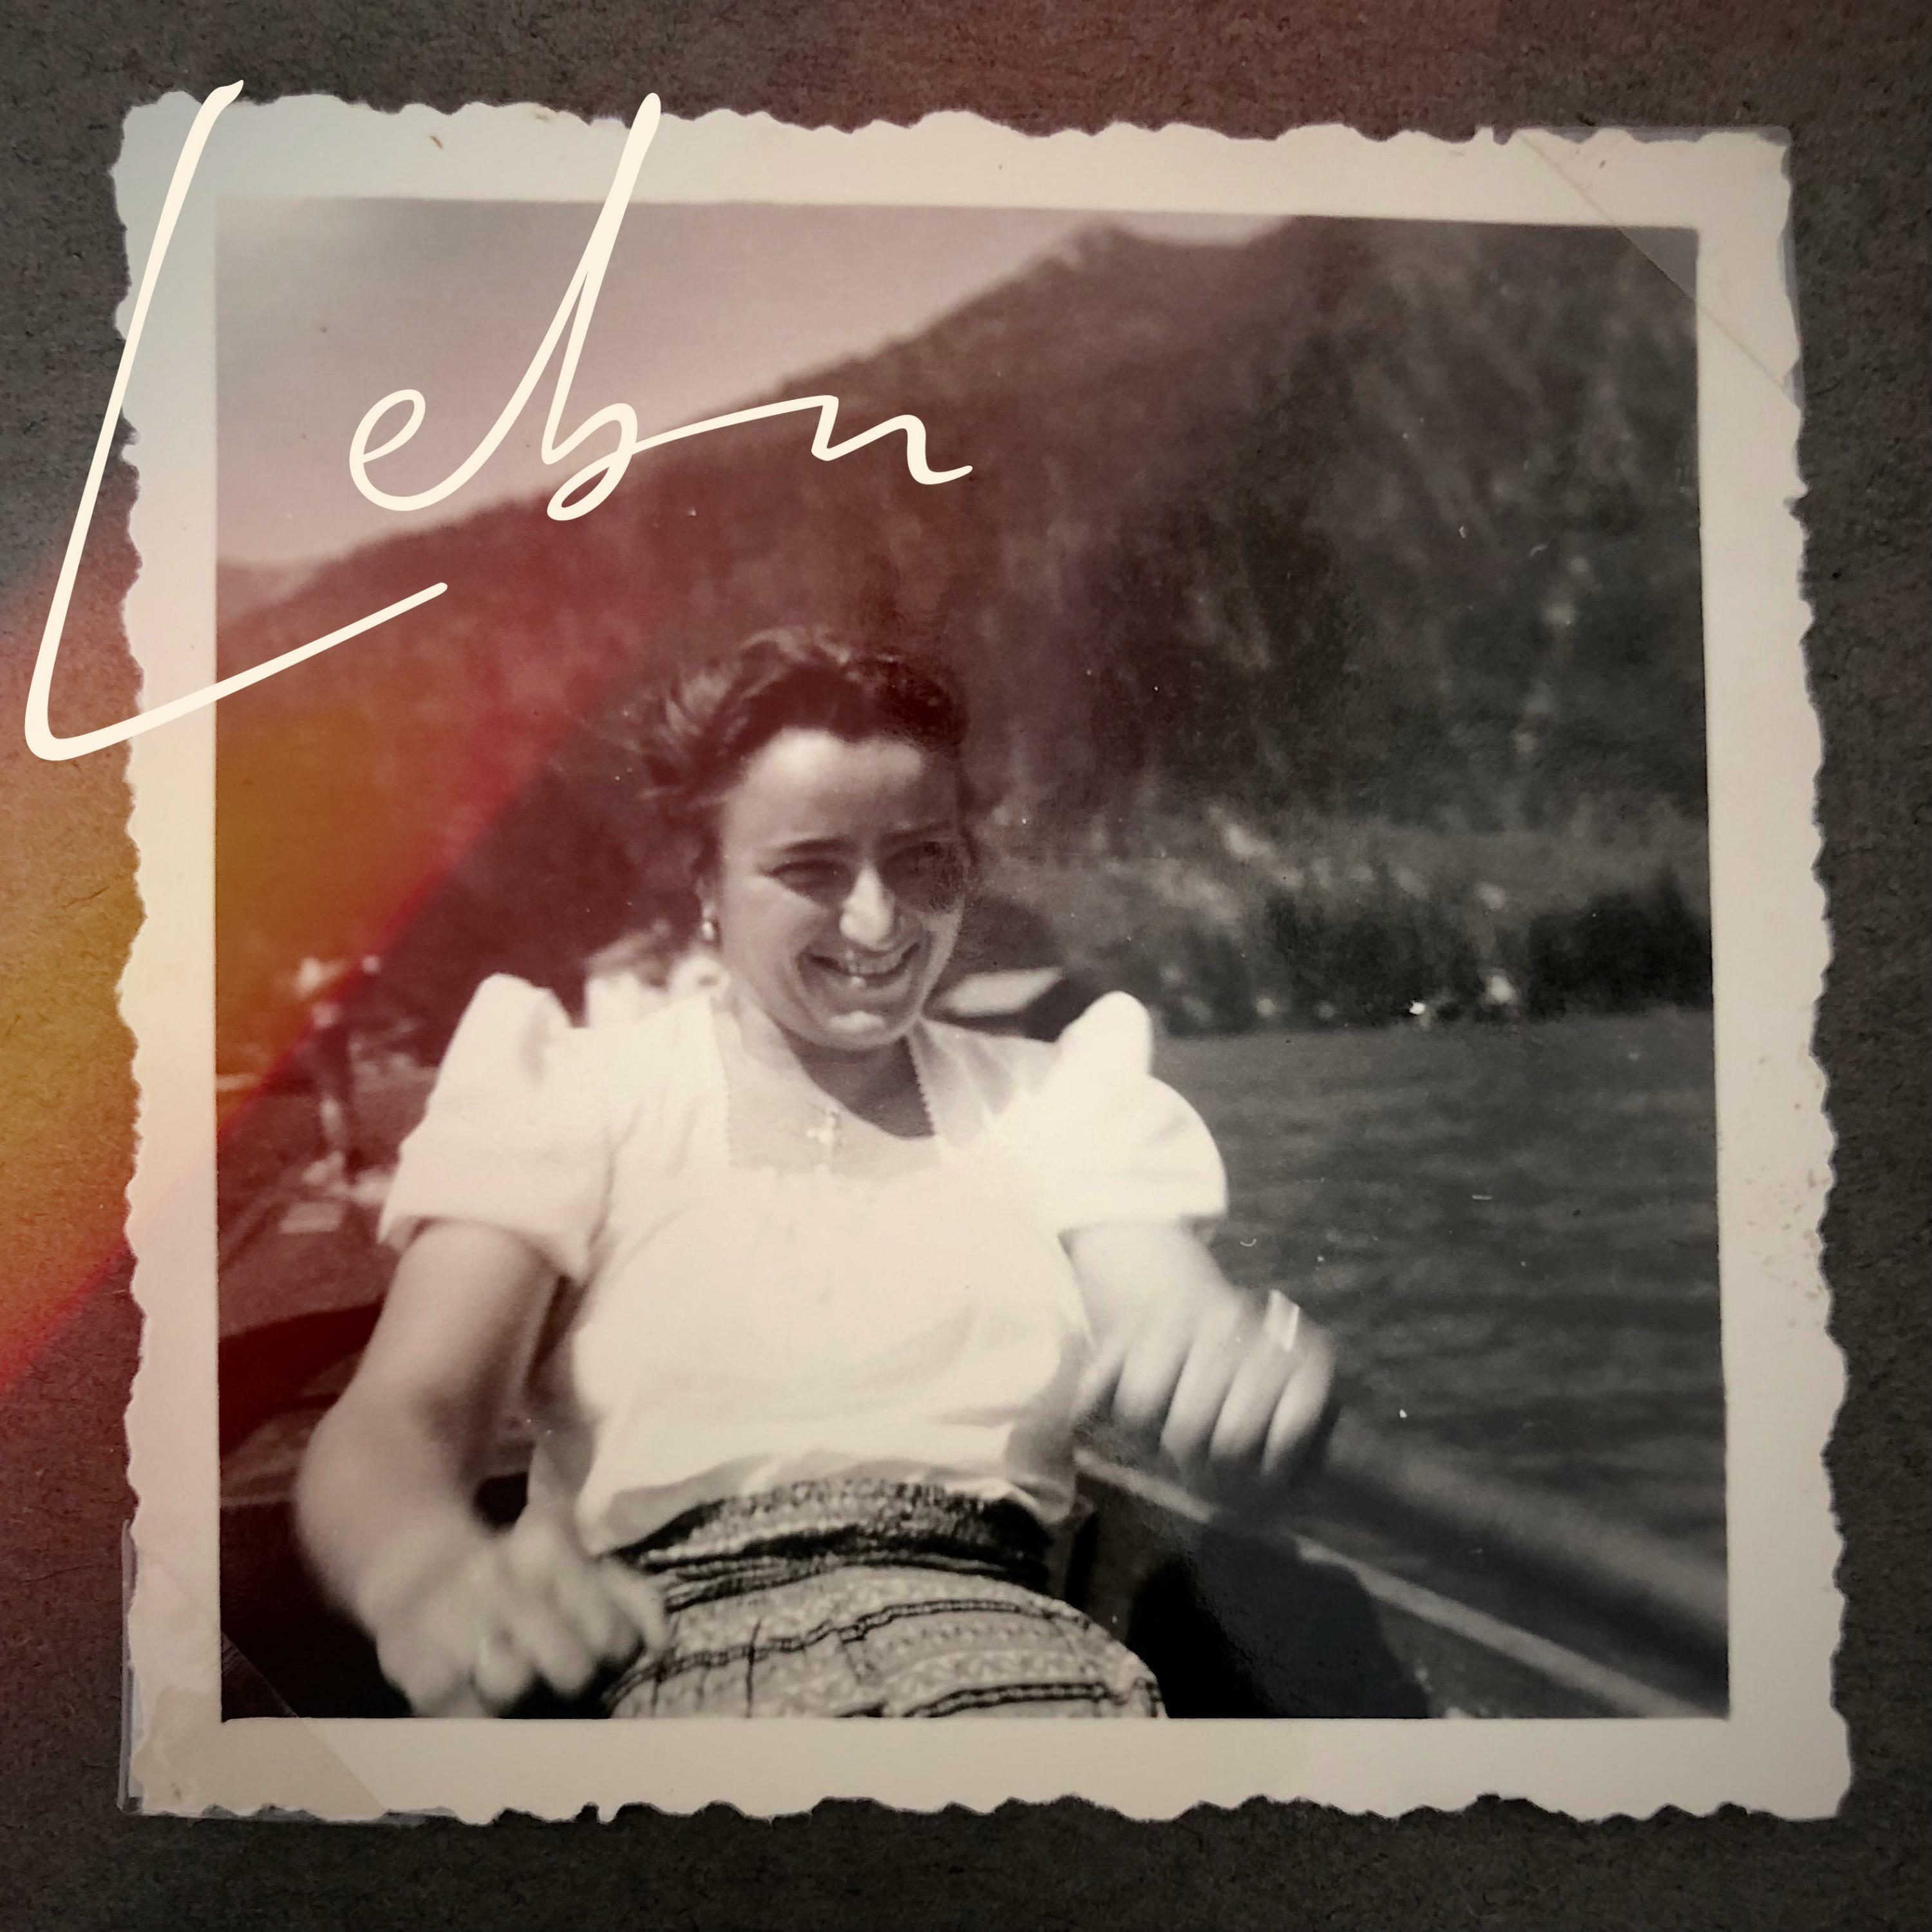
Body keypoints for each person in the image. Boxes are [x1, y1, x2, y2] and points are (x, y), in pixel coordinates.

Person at [295, 628, 1335, 1719]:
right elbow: (401, 1415)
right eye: (811, 869)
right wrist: (423, 1569)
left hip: (1014, 1677)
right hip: (660, 1672)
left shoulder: (1060, 1101)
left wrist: (1234, 1365)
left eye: (922, 859)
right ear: (707, 881)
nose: (877, 921)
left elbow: (1169, 1305)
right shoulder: (574, 1093)